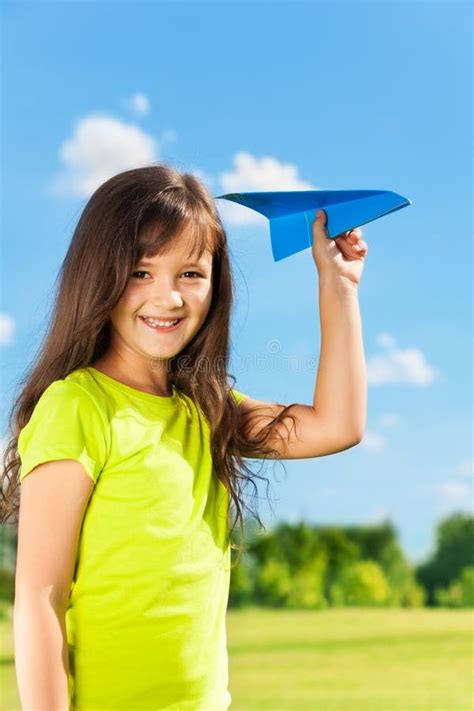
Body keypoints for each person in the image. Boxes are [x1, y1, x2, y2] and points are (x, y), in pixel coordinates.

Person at [2, 163, 367, 710]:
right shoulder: (78, 406)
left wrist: (336, 285)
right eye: (141, 273)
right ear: (99, 275)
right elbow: (40, 598)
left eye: (191, 274)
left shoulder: (208, 408)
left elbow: (337, 427)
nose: (168, 298)